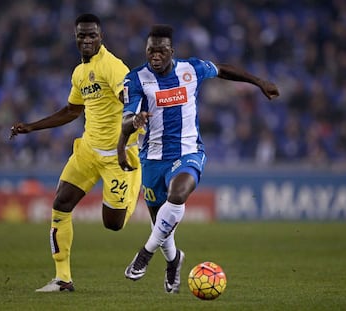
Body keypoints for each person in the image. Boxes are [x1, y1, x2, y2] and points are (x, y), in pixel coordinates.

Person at [117, 24, 279, 294]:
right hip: (152, 158)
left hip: (188, 151)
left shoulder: (191, 69)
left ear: (172, 51)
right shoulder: (135, 80)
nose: (155, 56)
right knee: (161, 222)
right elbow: (126, 119)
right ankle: (173, 260)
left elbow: (223, 69)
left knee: (178, 194)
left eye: (160, 51)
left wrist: (259, 82)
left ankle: (144, 255)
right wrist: (134, 122)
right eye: (150, 51)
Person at [10, 13, 141, 292]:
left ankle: (133, 186)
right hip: (87, 151)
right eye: (81, 35)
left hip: (118, 156)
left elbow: (129, 98)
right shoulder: (79, 72)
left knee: (113, 224)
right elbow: (72, 110)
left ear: (101, 37)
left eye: (92, 34)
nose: (86, 40)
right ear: (75, 38)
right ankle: (63, 279)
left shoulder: (113, 66)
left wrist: (134, 123)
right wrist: (31, 127)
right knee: (60, 204)